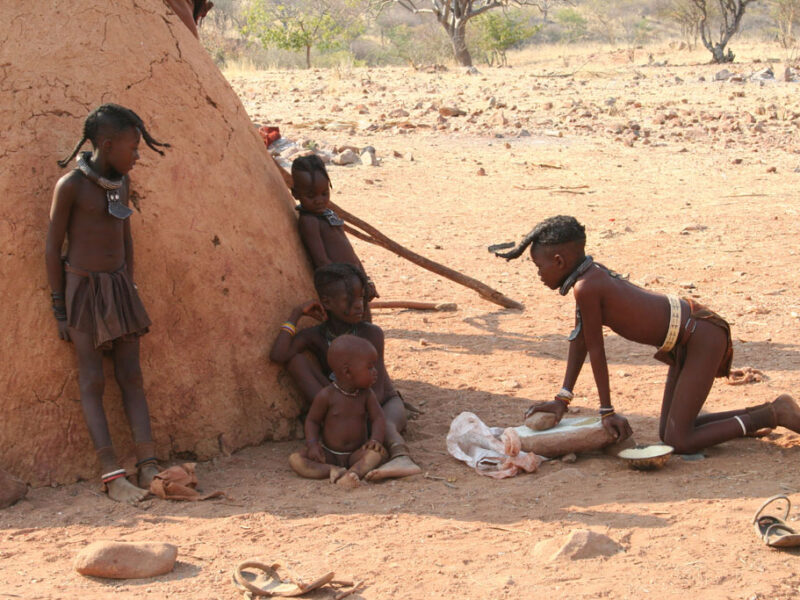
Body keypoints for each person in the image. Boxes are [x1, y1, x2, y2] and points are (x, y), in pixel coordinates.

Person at [496, 215, 800, 454]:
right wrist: (562, 399)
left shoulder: (587, 287)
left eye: (539, 266)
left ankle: (775, 414)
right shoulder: (588, 278)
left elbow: (598, 352)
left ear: (559, 261)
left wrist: (607, 412)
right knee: (670, 434)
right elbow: (581, 341)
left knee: (680, 441)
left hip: (702, 337)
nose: (538, 274)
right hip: (686, 340)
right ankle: (765, 413)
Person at [46, 104, 169, 503]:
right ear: (106, 143)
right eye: (133, 147)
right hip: (83, 291)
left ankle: (147, 462)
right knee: (92, 380)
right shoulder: (72, 187)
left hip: (118, 289)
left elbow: (125, 237)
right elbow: (52, 249)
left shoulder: (121, 183)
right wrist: (60, 307)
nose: (137, 155)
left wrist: (129, 284)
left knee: (131, 376)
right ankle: (111, 473)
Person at [270, 263, 421, 480]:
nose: (359, 305)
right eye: (349, 299)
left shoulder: (371, 334)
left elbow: (376, 394)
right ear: (326, 303)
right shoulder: (316, 336)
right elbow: (279, 355)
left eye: (361, 297)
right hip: (345, 404)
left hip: (380, 403)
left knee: (386, 424)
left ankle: (401, 457)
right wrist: (295, 315)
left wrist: (348, 410)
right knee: (296, 360)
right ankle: (347, 465)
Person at [288, 335, 387, 488]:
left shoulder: (367, 395)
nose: (375, 372)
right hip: (329, 454)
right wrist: (313, 444)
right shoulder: (327, 395)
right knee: (296, 459)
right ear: (347, 372)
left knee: (376, 455)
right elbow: (312, 421)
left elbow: (378, 418)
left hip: (356, 453)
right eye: (370, 367)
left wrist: (376, 440)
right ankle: (331, 470)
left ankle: (353, 473)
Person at [291, 155, 378, 320]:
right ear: (295, 193)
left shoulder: (327, 214)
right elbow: (322, 261)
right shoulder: (309, 221)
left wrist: (365, 280)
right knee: (355, 329)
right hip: (342, 289)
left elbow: (350, 253)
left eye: (324, 193)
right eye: (311, 196)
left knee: (366, 325)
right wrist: (347, 287)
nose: (319, 200)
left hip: (354, 282)